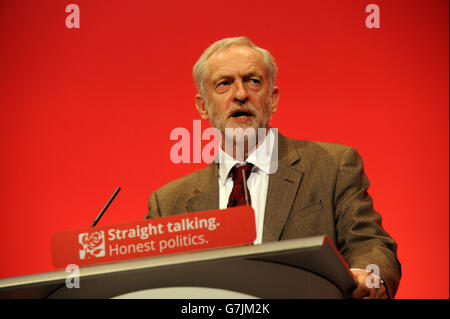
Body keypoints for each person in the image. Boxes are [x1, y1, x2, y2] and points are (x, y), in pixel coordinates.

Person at [145, 36, 401, 299]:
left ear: (273, 98)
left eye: (253, 81)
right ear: (203, 107)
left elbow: (370, 243)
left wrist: (369, 275)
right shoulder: (168, 204)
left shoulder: (332, 167)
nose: (241, 94)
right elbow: (148, 283)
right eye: (224, 84)